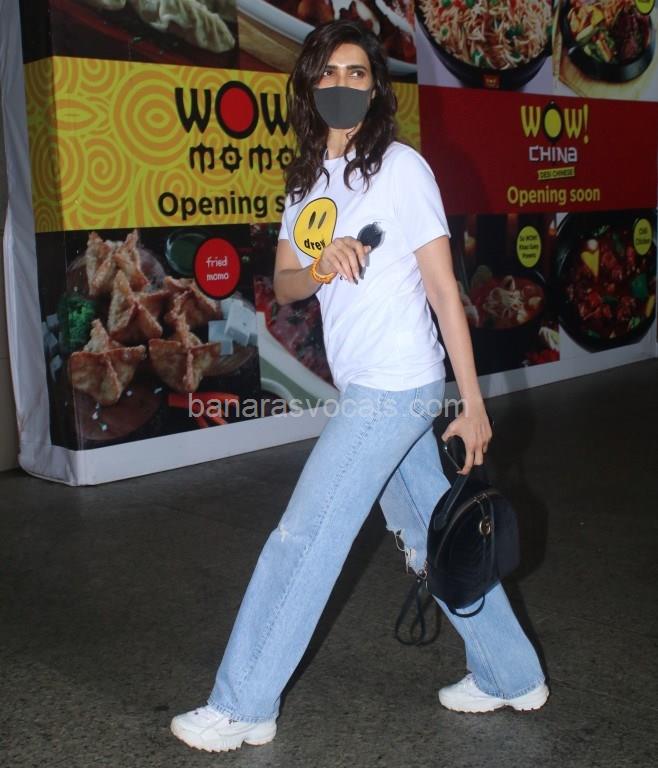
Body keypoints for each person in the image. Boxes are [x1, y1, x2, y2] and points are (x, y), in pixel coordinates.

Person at [171, 19, 548, 753]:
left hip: (396, 387)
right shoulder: (308, 180)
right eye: (329, 72)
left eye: (357, 73)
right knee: (436, 536)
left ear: (375, 90)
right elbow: (286, 284)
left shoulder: (401, 169)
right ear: (309, 86)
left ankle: (244, 703)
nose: (342, 84)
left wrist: (472, 403)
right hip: (368, 388)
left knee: (303, 536)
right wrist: (320, 265)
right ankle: (510, 672)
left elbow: (444, 289)